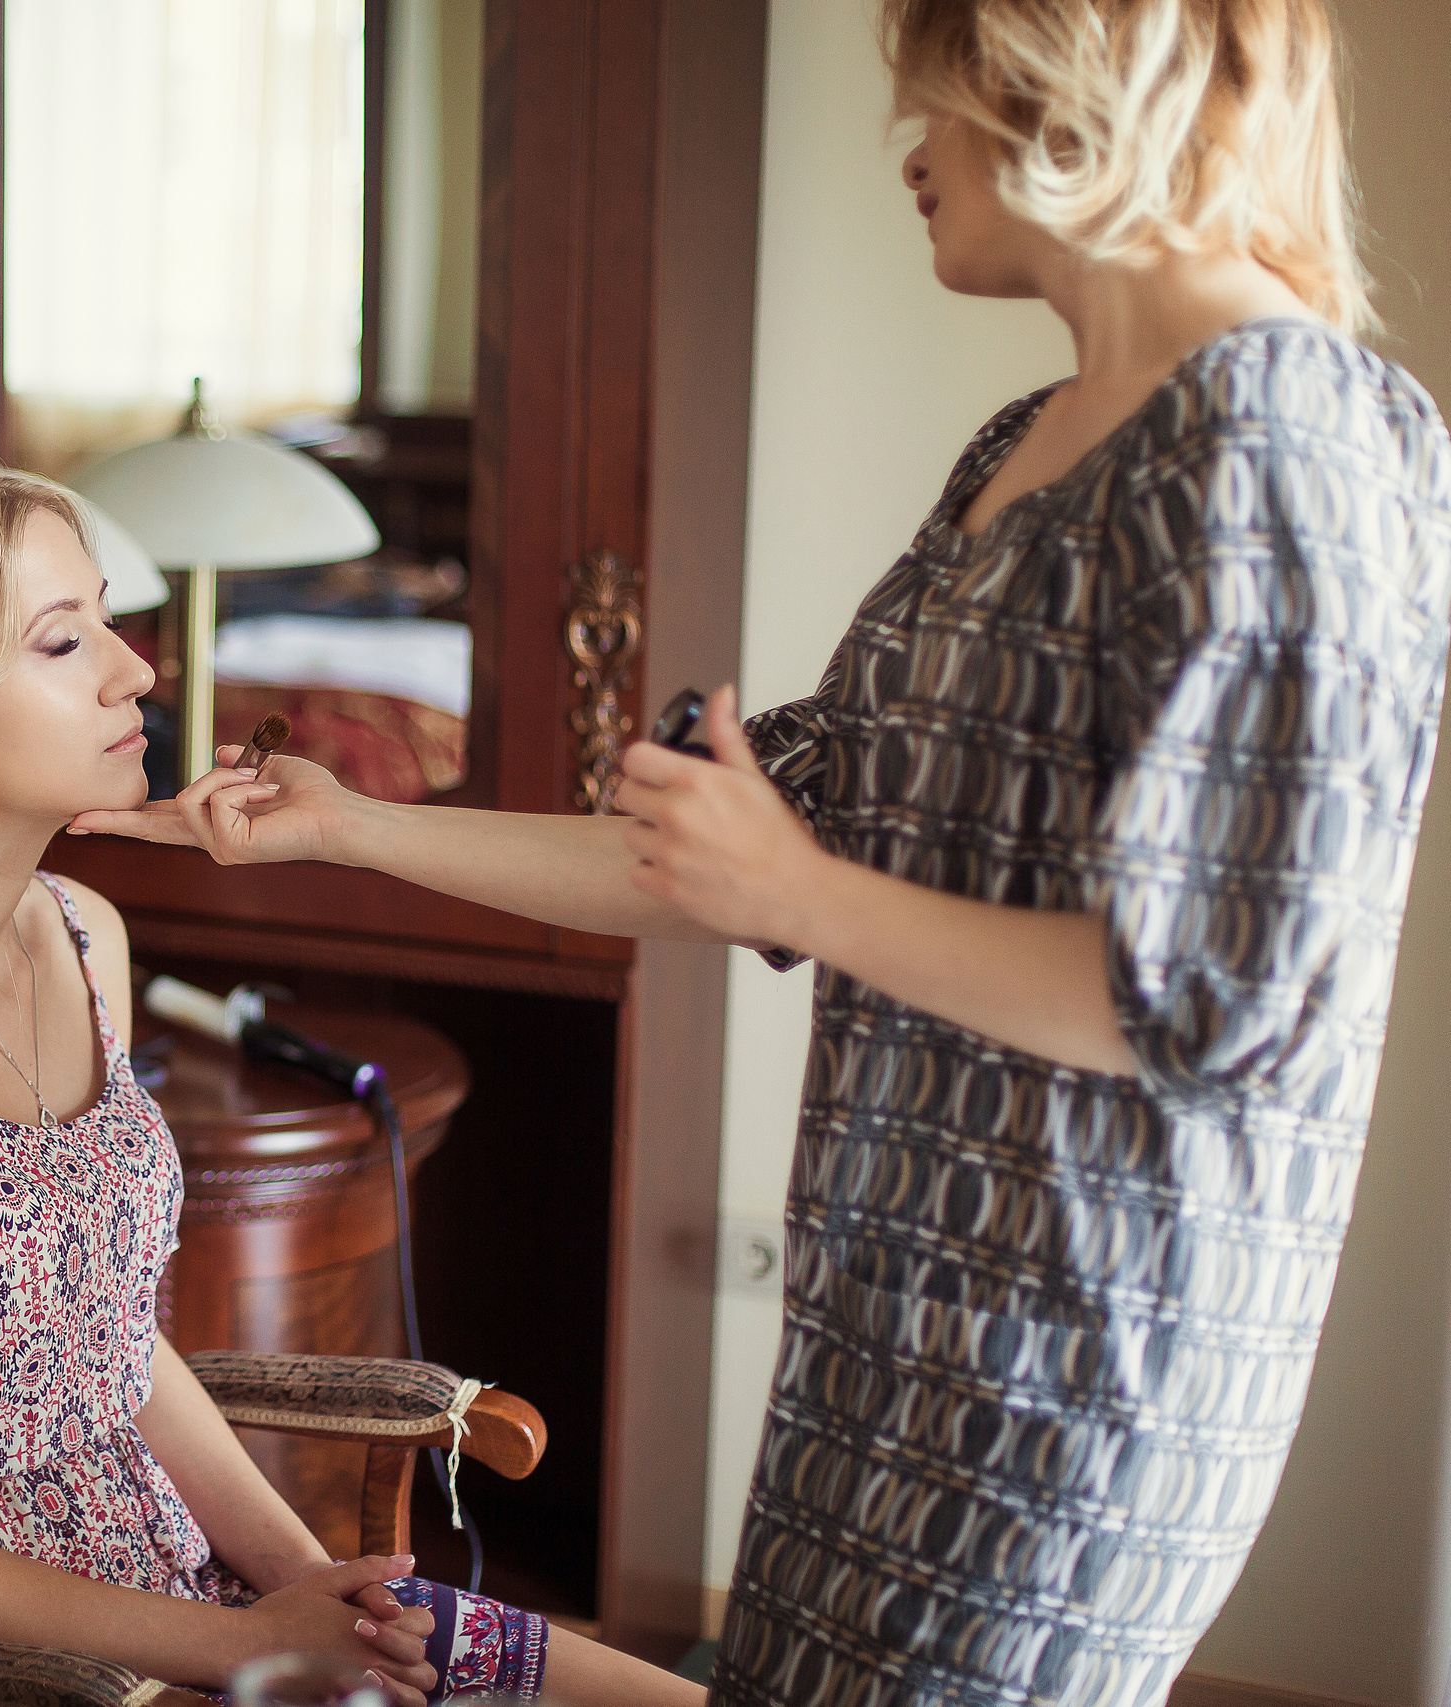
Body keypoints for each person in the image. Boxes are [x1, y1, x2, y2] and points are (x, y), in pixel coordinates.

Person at [70, 1, 1451, 1702]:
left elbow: (1230, 1002)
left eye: (928, 94)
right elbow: (719, 853)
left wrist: (798, 894)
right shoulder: (1019, 447)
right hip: (886, 1307)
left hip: (1081, 1345)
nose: (910, 146)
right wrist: (357, 826)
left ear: (1066, 88)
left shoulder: (1290, 435)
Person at [0, 462, 701, 1706]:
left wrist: (325, 1598)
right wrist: (251, 1647)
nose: (135, 669)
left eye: (105, 616)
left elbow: (114, 1344)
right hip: (8, 1672)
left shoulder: (82, 934)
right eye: (64, 641)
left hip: (176, 1594)